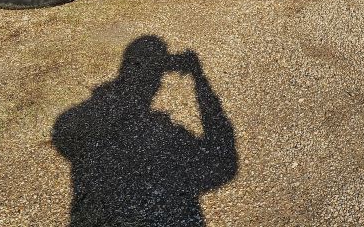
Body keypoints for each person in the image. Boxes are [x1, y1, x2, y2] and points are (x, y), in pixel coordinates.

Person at [52, 36, 238, 226]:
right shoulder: (166, 135)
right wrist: (198, 77)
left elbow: (67, 139)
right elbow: (224, 163)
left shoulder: (72, 120)